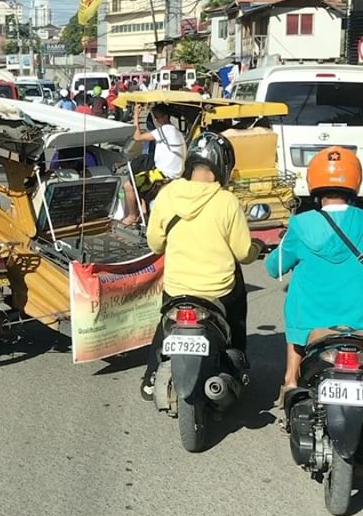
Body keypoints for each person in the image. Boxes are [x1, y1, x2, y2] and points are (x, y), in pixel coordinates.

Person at [140, 132, 262, 399]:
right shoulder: (227, 202)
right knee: (237, 314)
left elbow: (155, 243)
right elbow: (242, 253)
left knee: (165, 324)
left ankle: (151, 377)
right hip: (217, 291)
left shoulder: (167, 194)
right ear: (223, 165)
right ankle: (236, 365)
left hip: (178, 288)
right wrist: (257, 249)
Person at [265, 147, 363, 401]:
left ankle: (290, 381)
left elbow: (272, 267)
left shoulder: (300, 224)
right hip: (358, 319)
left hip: (311, 322)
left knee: (297, 316)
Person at [120, 103, 186, 225]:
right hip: (172, 173)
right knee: (143, 175)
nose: (156, 120)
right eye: (154, 117)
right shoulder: (175, 131)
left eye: (157, 117)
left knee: (128, 185)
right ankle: (144, 211)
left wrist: (135, 115)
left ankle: (132, 216)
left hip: (164, 175)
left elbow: (137, 137)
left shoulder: (165, 130)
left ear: (166, 116)